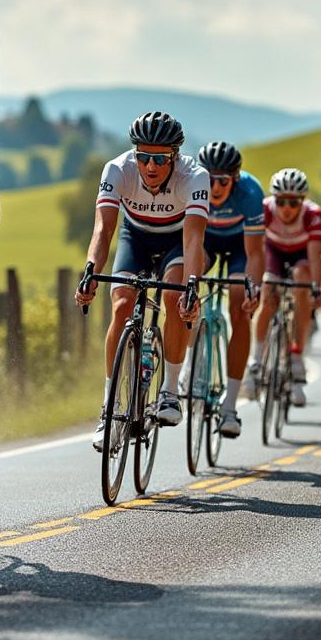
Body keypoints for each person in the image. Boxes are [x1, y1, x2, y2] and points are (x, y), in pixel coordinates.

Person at [76, 112, 209, 449]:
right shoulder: (118, 170)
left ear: (175, 156)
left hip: (174, 242)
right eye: (143, 156)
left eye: (160, 158)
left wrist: (192, 287)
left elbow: (193, 240)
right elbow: (103, 229)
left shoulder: (195, 177)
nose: (150, 166)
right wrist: (91, 269)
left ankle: (169, 391)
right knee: (121, 305)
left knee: (174, 299)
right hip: (134, 238)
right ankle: (109, 410)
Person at [197, 141, 264, 437]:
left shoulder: (250, 193)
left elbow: (256, 253)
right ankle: (189, 369)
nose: (215, 187)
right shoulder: (194, 187)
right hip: (207, 241)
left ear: (235, 178)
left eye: (222, 180)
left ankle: (230, 408)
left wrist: (253, 288)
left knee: (239, 306)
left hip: (240, 247)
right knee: (184, 287)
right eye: (209, 179)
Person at [251, 168, 321, 407]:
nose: (286, 208)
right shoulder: (264, 209)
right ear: (274, 200)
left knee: (303, 282)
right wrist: (258, 283)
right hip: (274, 251)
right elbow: (257, 250)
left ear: (302, 201)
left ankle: (295, 355)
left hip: (301, 255)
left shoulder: (313, 214)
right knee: (269, 292)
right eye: (281, 201)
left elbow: (315, 257)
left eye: (293, 203)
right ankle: (257, 359)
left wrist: (316, 287)